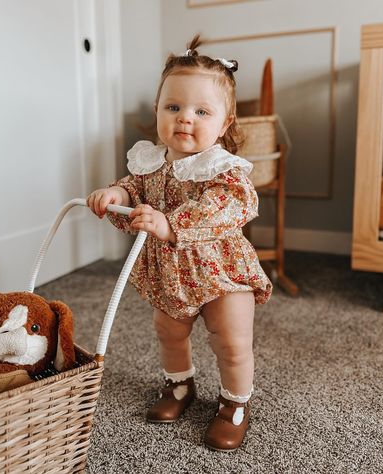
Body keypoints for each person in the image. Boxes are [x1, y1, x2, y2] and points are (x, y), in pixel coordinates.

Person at [87, 35, 272, 451]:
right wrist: (116, 196)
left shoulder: (223, 169)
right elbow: (132, 190)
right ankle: (179, 385)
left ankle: (234, 404)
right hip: (170, 272)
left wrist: (171, 224)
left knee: (231, 340)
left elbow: (230, 204)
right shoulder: (149, 162)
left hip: (221, 272)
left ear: (224, 123)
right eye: (173, 107)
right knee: (169, 332)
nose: (185, 119)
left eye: (201, 111)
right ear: (157, 111)